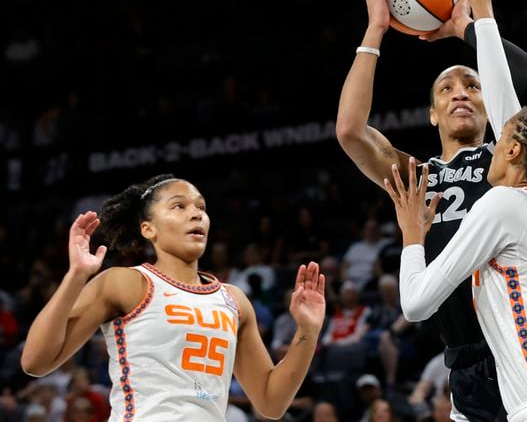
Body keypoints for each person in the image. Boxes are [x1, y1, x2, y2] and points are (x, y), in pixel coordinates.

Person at [336, 0, 527, 422]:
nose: (460, 93)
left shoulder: (511, 156)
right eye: (447, 90)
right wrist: (375, 28)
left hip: (524, 345)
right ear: (431, 113)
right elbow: (349, 130)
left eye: (472, 86)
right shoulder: (418, 176)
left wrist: (463, 27)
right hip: (465, 361)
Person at [19, 174, 326, 421]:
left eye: (201, 208)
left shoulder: (234, 300)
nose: (196, 214)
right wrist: (76, 276)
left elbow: (271, 402)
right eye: (179, 206)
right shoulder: (125, 283)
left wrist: (307, 332)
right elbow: (35, 361)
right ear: (148, 228)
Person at [387, 102, 527, 420]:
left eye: (500, 140)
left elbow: (415, 305)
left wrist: (412, 236)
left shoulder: (503, 203)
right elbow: (519, 116)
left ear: (512, 150)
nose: (490, 151)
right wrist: (482, 47)